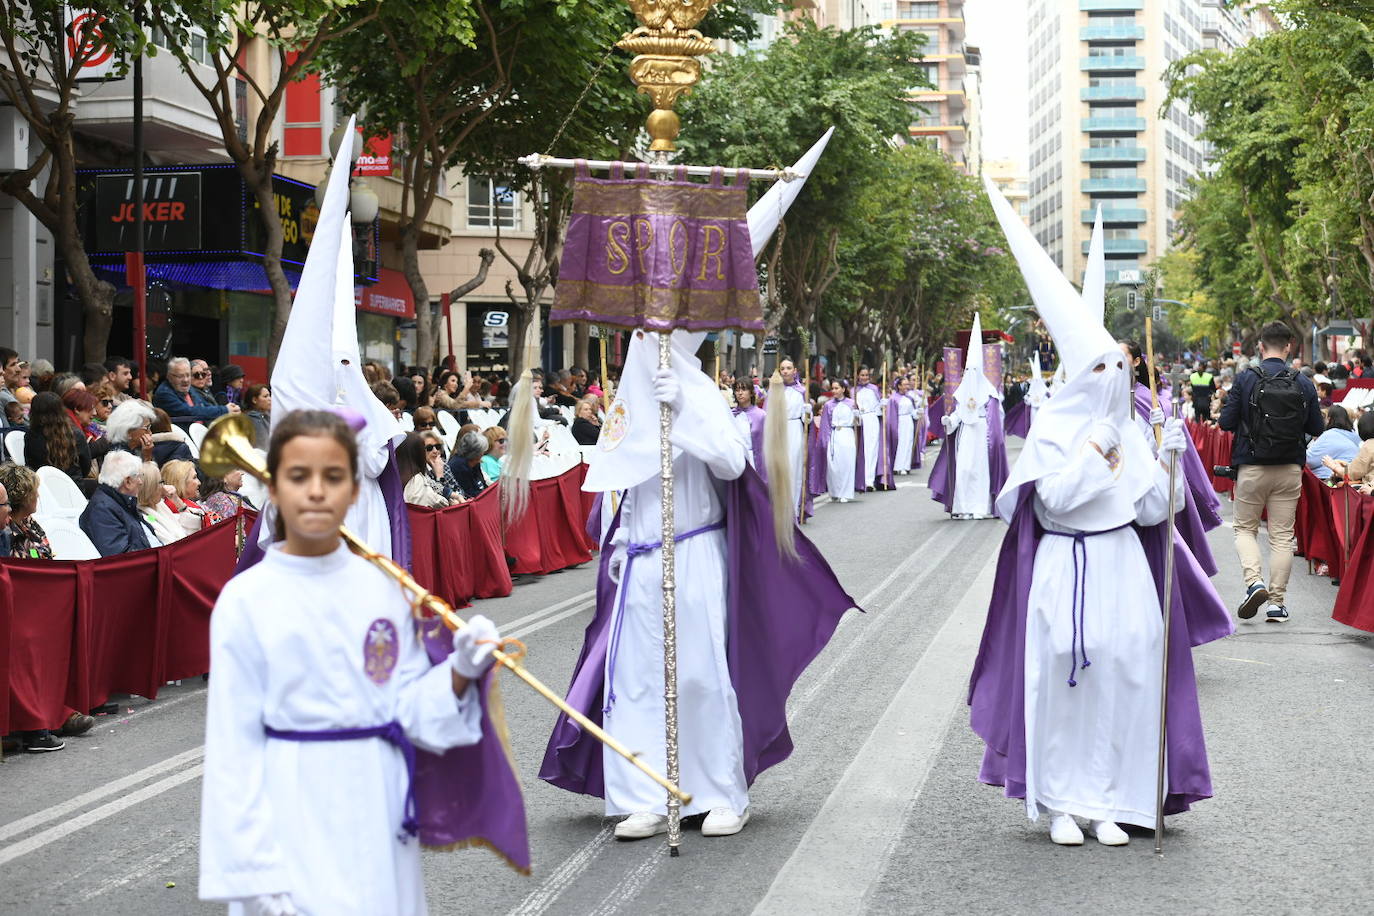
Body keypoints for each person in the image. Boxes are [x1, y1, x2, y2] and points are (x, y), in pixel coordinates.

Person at [974, 179, 1227, 848]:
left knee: (1127, 672)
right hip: (1067, 565)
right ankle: (1061, 803)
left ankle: (1113, 800)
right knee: (1063, 671)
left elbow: (1154, 512)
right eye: (1102, 368)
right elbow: (1053, 500)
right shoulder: (1055, 428)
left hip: (1122, 565)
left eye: (1120, 367)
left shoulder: (1133, 429)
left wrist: (1169, 460)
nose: (1114, 378)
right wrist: (1098, 449)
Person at [540, 330, 854, 843]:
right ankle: (645, 794)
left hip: (693, 551)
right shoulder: (630, 399)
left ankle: (721, 793)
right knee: (636, 679)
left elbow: (731, 463)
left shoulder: (701, 393)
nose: (643, 340)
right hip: (641, 559)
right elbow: (627, 481)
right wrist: (622, 542)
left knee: (700, 675)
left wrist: (685, 411)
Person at [199, 408, 512, 914]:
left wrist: (461, 670)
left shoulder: (382, 589)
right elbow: (232, 747)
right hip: (295, 809)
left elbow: (407, 709)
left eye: (333, 476)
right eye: (298, 476)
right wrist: (256, 877)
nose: (316, 492)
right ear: (273, 490)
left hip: (377, 803)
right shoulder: (246, 600)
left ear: (354, 491)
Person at [1218, 321, 1324, 622]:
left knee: (1244, 529)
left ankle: (1255, 582)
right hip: (1289, 467)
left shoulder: (1246, 378)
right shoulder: (1303, 382)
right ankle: (1277, 603)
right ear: (1289, 347)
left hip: (1251, 467)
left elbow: (1225, 422)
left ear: (1260, 346)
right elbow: (1317, 427)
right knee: (1282, 536)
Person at [930, 314, 1008, 520]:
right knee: (964, 469)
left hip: (982, 434)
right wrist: (949, 421)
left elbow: (997, 417)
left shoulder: (990, 394)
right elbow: (959, 413)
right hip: (966, 434)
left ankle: (980, 507)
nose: (971, 374)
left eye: (974, 370)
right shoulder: (962, 392)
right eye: (968, 370)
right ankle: (962, 507)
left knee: (980, 471)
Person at [80, 450, 153, 556]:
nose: (140, 482)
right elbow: (121, 557)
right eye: (138, 476)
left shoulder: (122, 502)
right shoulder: (102, 510)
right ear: (127, 482)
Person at [25, 391, 92, 480]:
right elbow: (86, 466)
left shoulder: (30, 436)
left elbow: (30, 466)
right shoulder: (76, 435)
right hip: (73, 485)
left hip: (43, 485)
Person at [154, 357, 238, 424]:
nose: (185, 380)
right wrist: (224, 410)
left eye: (188, 375)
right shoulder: (164, 393)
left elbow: (204, 406)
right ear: (169, 376)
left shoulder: (189, 389)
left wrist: (228, 408)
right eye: (180, 376)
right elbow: (190, 412)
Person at [776, 358, 812, 511]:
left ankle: (794, 507)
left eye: (788, 368)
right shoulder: (775, 390)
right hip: (779, 430)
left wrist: (808, 412)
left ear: (795, 370)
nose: (785, 371)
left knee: (795, 467)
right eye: (782, 368)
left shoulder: (802, 391)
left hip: (795, 429)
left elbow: (806, 420)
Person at [0, 464, 53, 559]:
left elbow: (46, 550)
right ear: (25, 498)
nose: (38, 495)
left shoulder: (28, 521)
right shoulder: (7, 534)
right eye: (35, 491)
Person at [822, 379, 859, 502]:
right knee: (833, 465)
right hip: (834, 435)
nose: (834, 391)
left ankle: (845, 493)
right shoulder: (828, 405)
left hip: (847, 434)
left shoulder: (852, 403)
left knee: (847, 463)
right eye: (832, 388)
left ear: (843, 389)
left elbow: (858, 423)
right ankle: (834, 492)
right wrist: (825, 440)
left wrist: (857, 415)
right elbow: (825, 424)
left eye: (837, 388)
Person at [397, 431, 451, 508]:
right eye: (429, 448)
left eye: (438, 446)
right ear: (418, 452)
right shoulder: (416, 479)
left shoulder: (443, 465)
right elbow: (440, 502)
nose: (435, 451)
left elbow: (458, 490)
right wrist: (440, 477)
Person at [1306, 405, 1360, 481]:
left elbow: (1309, 460)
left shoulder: (1330, 435)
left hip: (1328, 479)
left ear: (1329, 419)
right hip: (1349, 478)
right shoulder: (1355, 436)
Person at [853, 367, 881, 491]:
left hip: (872, 418)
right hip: (859, 420)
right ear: (857, 376)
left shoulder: (874, 389)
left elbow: (878, 406)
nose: (864, 377)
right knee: (860, 450)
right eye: (862, 375)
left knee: (871, 449)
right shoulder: (853, 390)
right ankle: (859, 479)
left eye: (866, 375)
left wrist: (882, 406)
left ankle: (869, 480)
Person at [731, 378, 767, 472]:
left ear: (751, 393)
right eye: (737, 390)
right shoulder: (731, 415)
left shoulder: (761, 415)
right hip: (737, 459)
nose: (740, 393)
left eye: (743, 389)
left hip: (755, 461)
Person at [446, 431, 490, 499]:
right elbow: (469, 492)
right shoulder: (458, 466)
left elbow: (483, 484)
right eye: (482, 452)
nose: (483, 454)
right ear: (476, 452)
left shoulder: (475, 462)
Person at [243, 384, 273, 451]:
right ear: (254, 400)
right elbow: (263, 444)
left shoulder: (266, 414)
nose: (270, 399)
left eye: (269, 396)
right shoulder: (253, 418)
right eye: (265, 396)